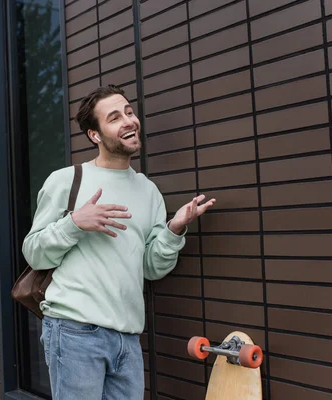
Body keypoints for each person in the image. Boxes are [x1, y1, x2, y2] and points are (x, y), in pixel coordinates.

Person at [22, 84, 216, 399]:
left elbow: (151, 268)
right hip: (74, 330)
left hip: (127, 336)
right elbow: (34, 254)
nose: (128, 120)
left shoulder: (147, 190)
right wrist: (75, 223)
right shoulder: (66, 180)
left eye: (128, 112)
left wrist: (174, 229)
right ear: (95, 135)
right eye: (114, 117)